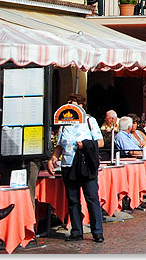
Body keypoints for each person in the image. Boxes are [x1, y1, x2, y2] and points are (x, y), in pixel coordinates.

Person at [47, 93, 104, 243]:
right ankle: (76, 230)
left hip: (85, 164)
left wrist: (84, 144)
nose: (70, 107)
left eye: (73, 104)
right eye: (68, 104)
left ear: (81, 106)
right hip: (68, 164)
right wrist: (53, 158)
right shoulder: (64, 123)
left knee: (91, 198)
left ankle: (97, 231)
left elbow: (100, 142)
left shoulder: (89, 121)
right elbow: (60, 145)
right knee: (73, 200)